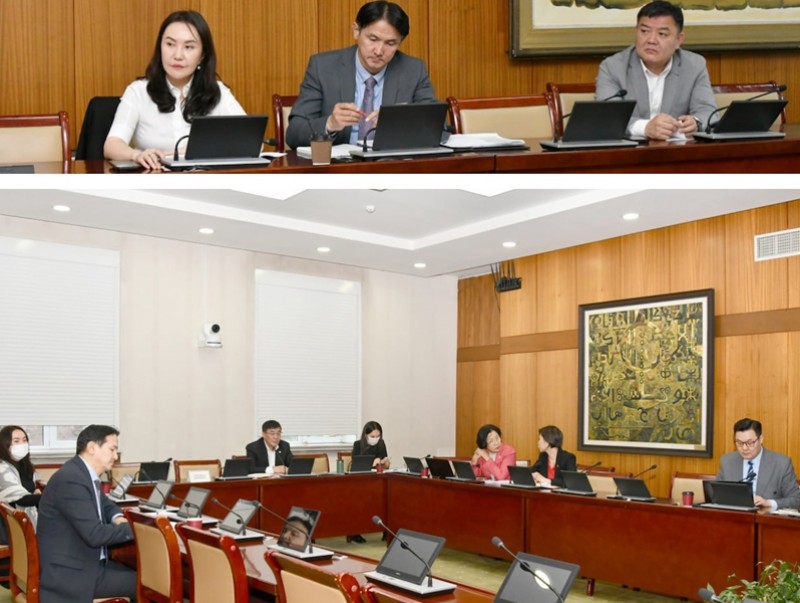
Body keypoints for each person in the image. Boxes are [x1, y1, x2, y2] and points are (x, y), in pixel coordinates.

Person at [104, 10, 246, 170]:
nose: (178, 55)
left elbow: (250, 141)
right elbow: (112, 145)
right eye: (170, 44)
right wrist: (136, 155)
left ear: (202, 56)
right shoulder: (138, 92)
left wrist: (176, 153)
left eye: (189, 47)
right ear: (160, 48)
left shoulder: (217, 92)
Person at [285, 0, 437, 149]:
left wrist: (406, 121)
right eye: (373, 39)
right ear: (356, 31)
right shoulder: (323, 67)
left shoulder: (413, 70)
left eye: (390, 43)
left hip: (390, 162)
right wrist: (330, 124)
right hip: (339, 164)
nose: (379, 51)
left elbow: (440, 129)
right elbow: (294, 133)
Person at [37, 425, 136, 603]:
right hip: (70, 576)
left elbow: (105, 504)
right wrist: (135, 529)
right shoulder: (71, 479)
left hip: (83, 563)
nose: (115, 456)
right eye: (112, 449)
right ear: (92, 448)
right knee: (149, 583)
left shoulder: (80, 473)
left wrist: (118, 517)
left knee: (142, 573)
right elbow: (95, 535)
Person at [595, 0, 716, 141]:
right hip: (631, 151)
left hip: (677, 150)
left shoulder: (694, 66)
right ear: (636, 31)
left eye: (662, 34)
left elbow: (708, 111)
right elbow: (608, 118)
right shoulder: (612, 67)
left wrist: (696, 123)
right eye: (644, 31)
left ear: (678, 40)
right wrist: (645, 128)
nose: (651, 40)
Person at [717, 417, 800, 511]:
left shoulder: (781, 464)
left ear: (761, 439)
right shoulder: (727, 461)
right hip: (734, 517)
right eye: (739, 443)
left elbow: (796, 499)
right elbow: (716, 495)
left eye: (750, 443)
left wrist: (769, 503)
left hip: (766, 518)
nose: (744, 448)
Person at [0, 425, 42, 544]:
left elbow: (33, 490)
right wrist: (47, 496)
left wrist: (37, 495)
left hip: (25, 521)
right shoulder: (2, 468)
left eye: (24, 440)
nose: (22, 444)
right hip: (9, 528)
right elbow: (22, 500)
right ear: (5, 444)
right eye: (16, 441)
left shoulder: (24, 466)